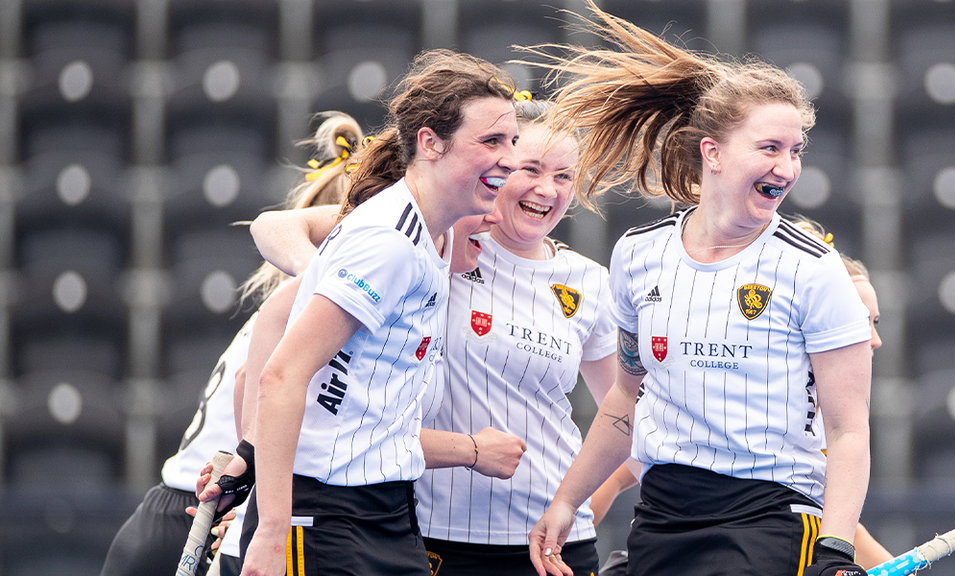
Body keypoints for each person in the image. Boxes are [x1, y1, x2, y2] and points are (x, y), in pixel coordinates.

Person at [520, 5, 874, 576]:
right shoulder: (638, 254)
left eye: (796, 151)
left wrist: (836, 549)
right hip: (661, 516)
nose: (786, 167)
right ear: (712, 153)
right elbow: (625, 400)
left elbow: (848, 429)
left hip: (769, 518)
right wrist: (569, 499)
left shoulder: (814, 268)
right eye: (770, 148)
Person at [246, 96, 618, 576]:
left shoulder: (588, 280)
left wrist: (579, 501)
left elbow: (625, 409)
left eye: (564, 176)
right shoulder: (436, 236)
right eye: (530, 169)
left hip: (548, 543)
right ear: (498, 167)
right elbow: (275, 233)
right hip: (430, 530)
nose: (546, 189)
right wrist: (322, 275)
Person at [199, 49, 520, 576]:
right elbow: (280, 374)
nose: (507, 158)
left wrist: (248, 457)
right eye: (490, 142)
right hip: (326, 517)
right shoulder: (388, 242)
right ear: (430, 143)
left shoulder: (432, 233)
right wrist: (273, 530)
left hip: (384, 510)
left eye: (510, 141)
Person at [96, 112, 363, 576]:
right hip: (199, 517)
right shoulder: (316, 305)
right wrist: (257, 495)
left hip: (165, 511)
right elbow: (252, 383)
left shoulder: (294, 299)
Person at [589, 217, 895, 574]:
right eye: (861, 323)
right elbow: (622, 464)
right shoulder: (750, 394)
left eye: (874, 322)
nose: (872, 339)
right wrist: (574, 519)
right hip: (671, 536)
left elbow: (841, 521)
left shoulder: (825, 416)